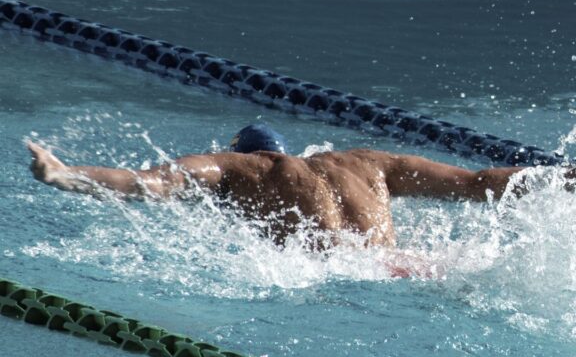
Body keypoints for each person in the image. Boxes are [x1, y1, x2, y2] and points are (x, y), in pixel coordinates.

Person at [27, 122, 570, 252]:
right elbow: (481, 184)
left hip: (340, 281)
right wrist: (562, 179)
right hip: (415, 270)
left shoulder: (238, 171)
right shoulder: (367, 162)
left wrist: (63, 173)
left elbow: (146, 184)